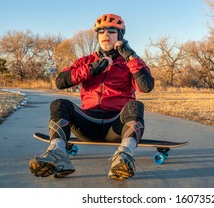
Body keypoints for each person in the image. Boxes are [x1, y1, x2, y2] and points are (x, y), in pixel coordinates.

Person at [29, 13, 154, 180]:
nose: (106, 35)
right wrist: (92, 69)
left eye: (111, 31)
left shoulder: (129, 62)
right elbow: (60, 81)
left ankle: (123, 158)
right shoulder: (87, 61)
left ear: (120, 35)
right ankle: (58, 154)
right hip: (87, 124)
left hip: (116, 126)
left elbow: (146, 87)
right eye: (101, 32)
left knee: (135, 106)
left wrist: (130, 55)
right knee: (60, 104)